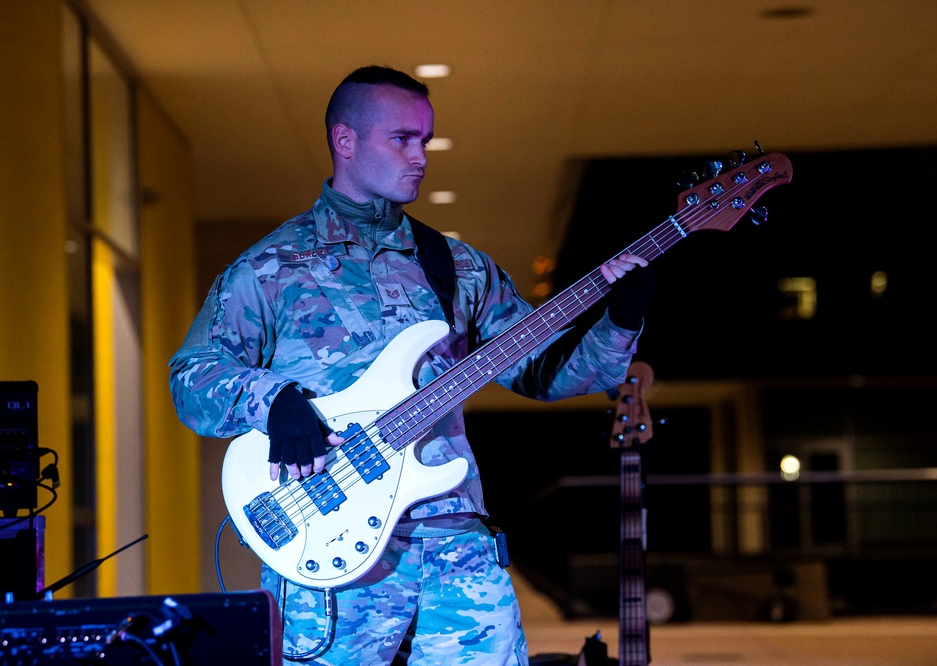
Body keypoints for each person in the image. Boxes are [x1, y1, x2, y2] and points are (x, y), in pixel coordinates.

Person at [169, 65, 653, 665]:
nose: (420, 155)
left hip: (457, 549)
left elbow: (544, 372)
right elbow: (191, 378)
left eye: (424, 139)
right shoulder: (271, 268)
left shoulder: (458, 266)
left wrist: (621, 320)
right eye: (402, 138)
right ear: (345, 141)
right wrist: (274, 401)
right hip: (333, 553)